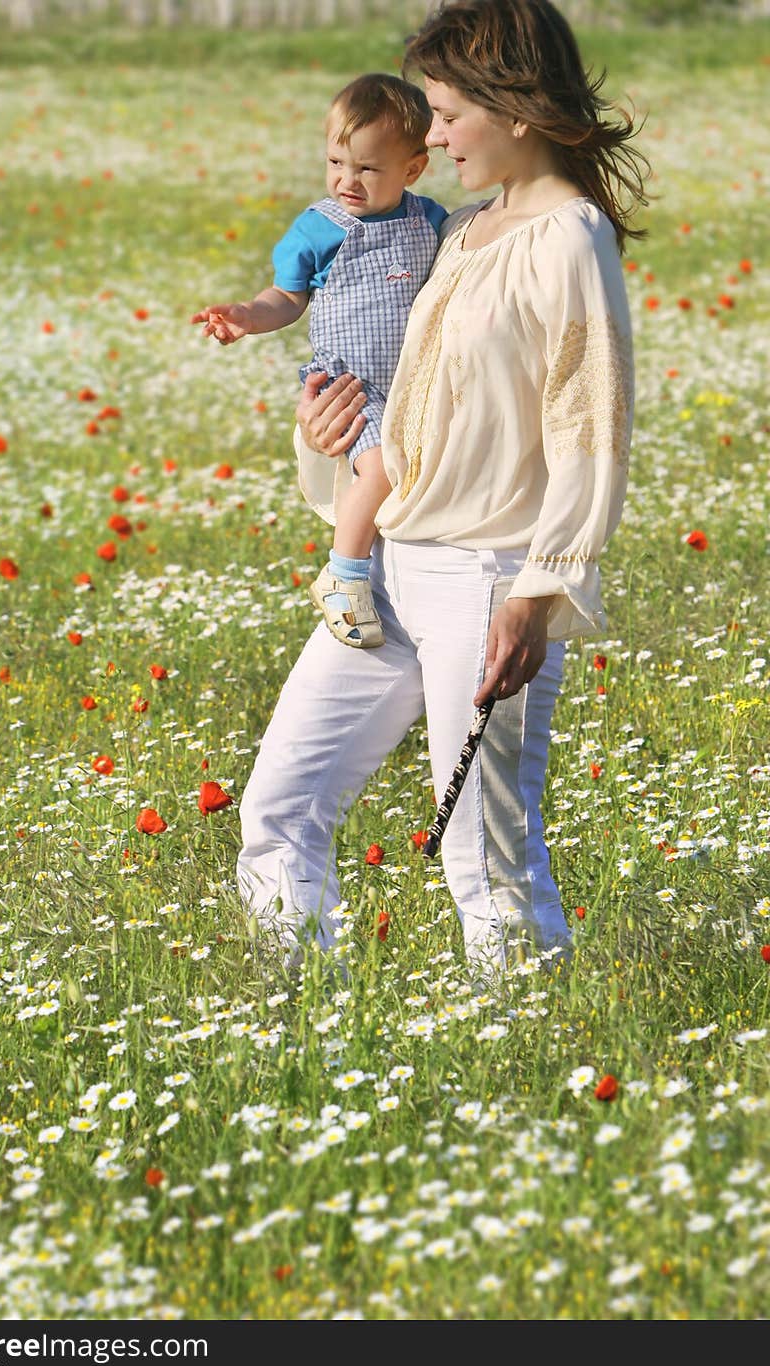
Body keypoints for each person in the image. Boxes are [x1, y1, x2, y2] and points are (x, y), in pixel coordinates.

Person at [237, 0, 647, 984]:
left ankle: (527, 1069)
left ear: (513, 107)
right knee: (278, 811)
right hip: (387, 568)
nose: (431, 134)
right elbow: (404, 402)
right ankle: (310, 1018)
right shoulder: (456, 233)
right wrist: (323, 439)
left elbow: (589, 428)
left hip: (486, 579)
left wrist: (537, 592)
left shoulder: (567, 237)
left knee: (486, 858)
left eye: (448, 111)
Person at [192, 73, 447, 649]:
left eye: (367, 169)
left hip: (410, 382)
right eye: (336, 162)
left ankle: (392, 573)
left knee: (412, 469)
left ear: (412, 169)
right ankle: (346, 575)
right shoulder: (319, 228)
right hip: (353, 384)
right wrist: (248, 316)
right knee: (381, 466)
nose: (346, 180)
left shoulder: (426, 221)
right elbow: (285, 297)